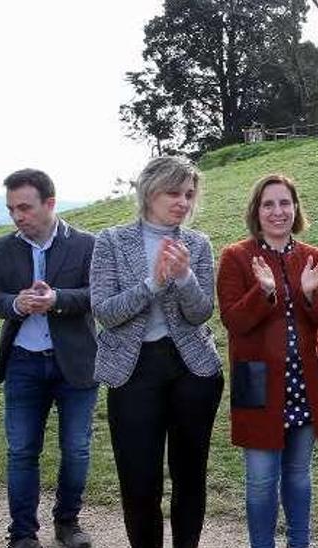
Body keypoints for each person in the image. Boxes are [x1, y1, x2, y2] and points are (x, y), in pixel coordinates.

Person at [90, 156, 224, 548]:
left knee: (190, 477)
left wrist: (183, 278)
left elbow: (201, 313)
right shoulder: (111, 241)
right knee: (139, 481)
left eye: (188, 194)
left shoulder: (197, 244)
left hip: (191, 370)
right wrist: (152, 283)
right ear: (149, 192)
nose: (183, 201)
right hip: (132, 373)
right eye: (173, 192)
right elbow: (105, 313)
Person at [217, 174, 318, 548]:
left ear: (295, 208)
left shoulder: (313, 257)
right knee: (260, 482)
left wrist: (306, 294)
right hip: (259, 387)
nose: (278, 211)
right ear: (256, 210)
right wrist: (264, 292)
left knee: (299, 477)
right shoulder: (237, 257)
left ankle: (300, 543)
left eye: (285, 203)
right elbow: (233, 321)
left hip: (305, 385)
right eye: (268, 204)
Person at [0, 169, 97, 548]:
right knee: (22, 451)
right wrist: (15, 303)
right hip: (23, 363)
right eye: (12, 209)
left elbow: (99, 295)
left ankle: (68, 523)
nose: (17, 217)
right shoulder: (3, 247)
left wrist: (57, 299)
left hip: (75, 363)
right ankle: (23, 534)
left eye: (25, 208)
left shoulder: (85, 244)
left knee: (76, 449)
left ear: (50, 203)